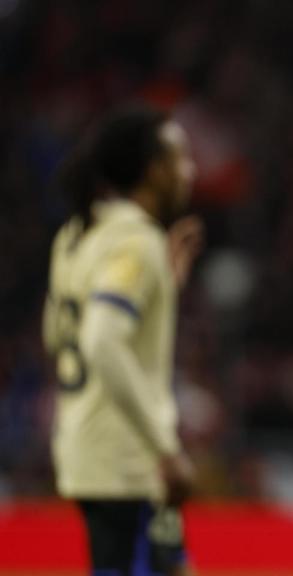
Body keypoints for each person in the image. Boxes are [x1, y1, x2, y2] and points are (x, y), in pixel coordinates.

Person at [43, 104, 203, 576]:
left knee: (176, 568)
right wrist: (165, 447)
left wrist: (162, 291)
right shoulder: (137, 241)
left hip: (87, 446)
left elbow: (56, 333)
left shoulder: (77, 234)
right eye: (181, 158)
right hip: (129, 462)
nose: (190, 172)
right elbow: (100, 340)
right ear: (154, 169)